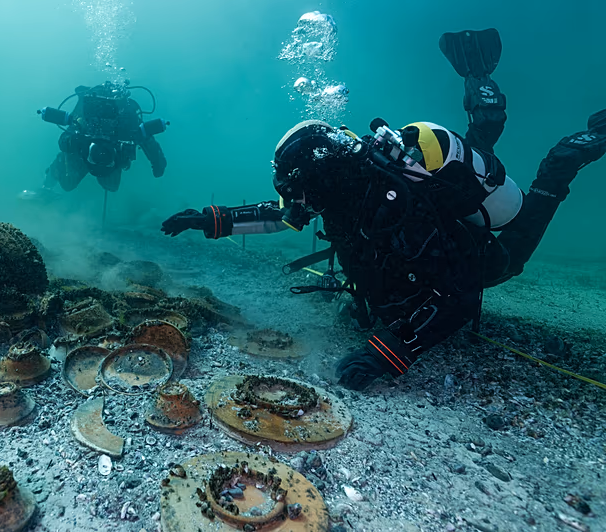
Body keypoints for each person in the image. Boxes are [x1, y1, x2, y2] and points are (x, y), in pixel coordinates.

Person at [160, 29, 606, 390]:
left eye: (297, 190)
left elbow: (463, 293)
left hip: (485, 259)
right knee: (473, 156)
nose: (296, 204)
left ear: (320, 178)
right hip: (423, 239)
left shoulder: (396, 203)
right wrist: (210, 218)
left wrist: (389, 353)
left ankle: (567, 155)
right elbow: (281, 215)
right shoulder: (337, 191)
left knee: (518, 239)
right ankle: (482, 94)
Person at [38, 80, 168, 194]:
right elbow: (64, 139)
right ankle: (54, 173)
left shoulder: (127, 120)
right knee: (68, 184)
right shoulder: (86, 117)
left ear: (121, 107)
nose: (106, 114)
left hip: (112, 158)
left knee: (111, 186)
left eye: (112, 109)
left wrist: (157, 162)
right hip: (83, 153)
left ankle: (59, 172)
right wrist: (73, 142)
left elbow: (146, 138)